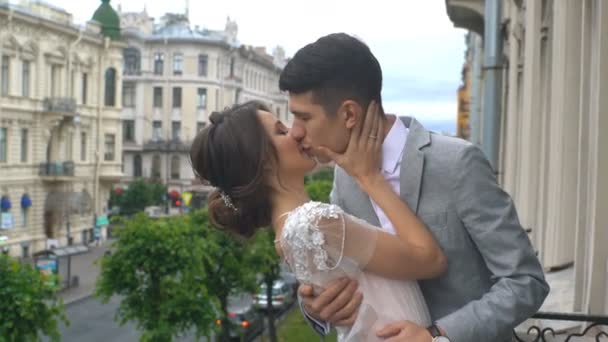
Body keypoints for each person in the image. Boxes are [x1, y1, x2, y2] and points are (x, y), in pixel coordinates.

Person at [277, 33, 550, 342]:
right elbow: (350, 272)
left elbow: (525, 281)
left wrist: (437, 336)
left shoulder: (457, 163)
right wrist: (315, 305)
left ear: (349, 114)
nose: (295, 132)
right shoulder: (344, 178)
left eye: (304, 117)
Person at [190, 100, 447, 341]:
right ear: (262, 162)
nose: (297, 133)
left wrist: (313, 307)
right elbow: (431, 261)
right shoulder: (315, 223)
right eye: (281, 131)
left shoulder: (288, 231)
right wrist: (371, 179)